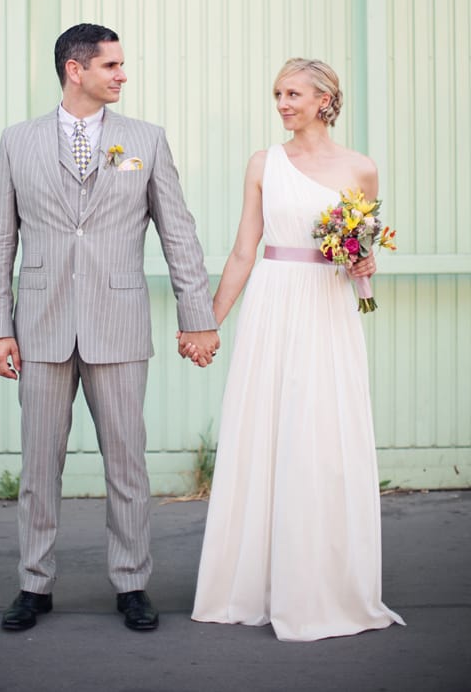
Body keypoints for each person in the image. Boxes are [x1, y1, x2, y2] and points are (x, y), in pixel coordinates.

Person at [0, 23, 219, 633]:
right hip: (39, 327)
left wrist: (198, 318)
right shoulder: (17, 142)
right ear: (74, 69)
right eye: (111, 65)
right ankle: (34, 584)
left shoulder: (146, 140)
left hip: (119, 325)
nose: (122, 75)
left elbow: (179, 234)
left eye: (121, 65)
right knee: (38, 465)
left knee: (127, 464)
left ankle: (132, 583)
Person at [185, 58, 405, 641]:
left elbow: (362, 249)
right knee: (264, 432)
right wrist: (207, 323)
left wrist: (365, 260)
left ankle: (321, 584)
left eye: (294, 94)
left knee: (323, 437)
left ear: (325, 100)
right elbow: (241, 252)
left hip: (329, 310)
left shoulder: (361, 169)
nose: (282, 103)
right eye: (277, 93)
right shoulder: (264, 163)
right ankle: (251, 584)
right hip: (273, 306)